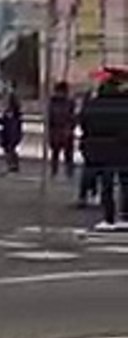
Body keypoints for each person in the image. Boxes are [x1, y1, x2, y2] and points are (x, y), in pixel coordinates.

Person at [79, 71, 128, 230]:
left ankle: (108, 217)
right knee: (125, 183)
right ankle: (125, 216)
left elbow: (84, 124)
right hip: (123, 149)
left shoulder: (93, 105)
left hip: (100, 150)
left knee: (106, 184)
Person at [48, 82, 77, 181]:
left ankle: (69, 172)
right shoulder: (53, 102)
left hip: (65, 131)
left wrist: (70, 127)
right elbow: (49, 118)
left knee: (68, 153)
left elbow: (72, 117)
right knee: (56, 153)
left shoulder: (69, 102)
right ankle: (54, 171)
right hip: (57, 131)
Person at [0, 92, 24, 174]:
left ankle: (12, 165)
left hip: (10, 132)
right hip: (12, 132)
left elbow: (5, 122)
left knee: (9, 148)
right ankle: (13, 164)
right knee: (10, 148)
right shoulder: (16, 113)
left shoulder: (11, 113)